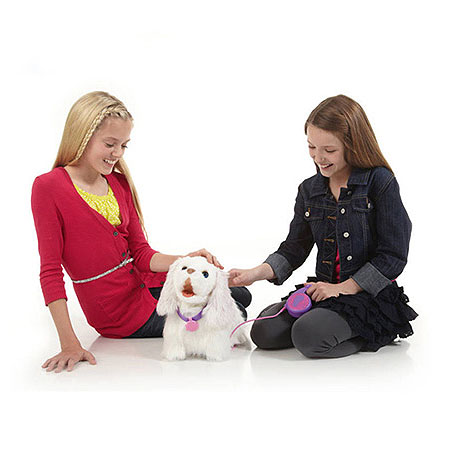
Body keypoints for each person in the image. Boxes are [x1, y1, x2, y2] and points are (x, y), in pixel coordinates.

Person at [31, 91, 251, 372]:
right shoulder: (48, 187)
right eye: (110, 144)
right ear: (82, 136)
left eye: (124, 145)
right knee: (236, 311)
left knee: (240, 294)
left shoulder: (118, 182)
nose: (117, 154)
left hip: (141, 285)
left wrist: (186, 261)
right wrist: (69, 343)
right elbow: (50, 271)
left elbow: (142, 254)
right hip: (118, 313)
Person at [229, 94, 417, 358]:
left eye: (329, 150)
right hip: (324, 289)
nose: (319, 157)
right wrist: (254, 273)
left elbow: (393, 255)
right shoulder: (310, 190)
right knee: (263, 332)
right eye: (311, 147)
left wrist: (343, 288)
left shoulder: (380, 182)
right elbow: (294, 248)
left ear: (353, 145)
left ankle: (372, 331)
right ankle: (327, 324)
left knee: (308, 335)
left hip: (365, 293)